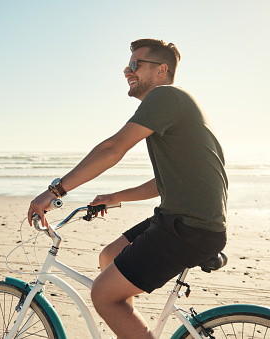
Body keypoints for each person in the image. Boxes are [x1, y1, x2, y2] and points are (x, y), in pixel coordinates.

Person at [28, 38, 227, 339]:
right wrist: (115, 197)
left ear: (161, 70)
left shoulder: (164, 97)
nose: (127, 71)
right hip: (179, 220)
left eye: (135, 64)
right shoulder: (172, 104)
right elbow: (165, 181)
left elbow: (113, 148)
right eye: (126, 66)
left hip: (188, 228)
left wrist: (55, 192)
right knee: (109, 257)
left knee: (103, 295)